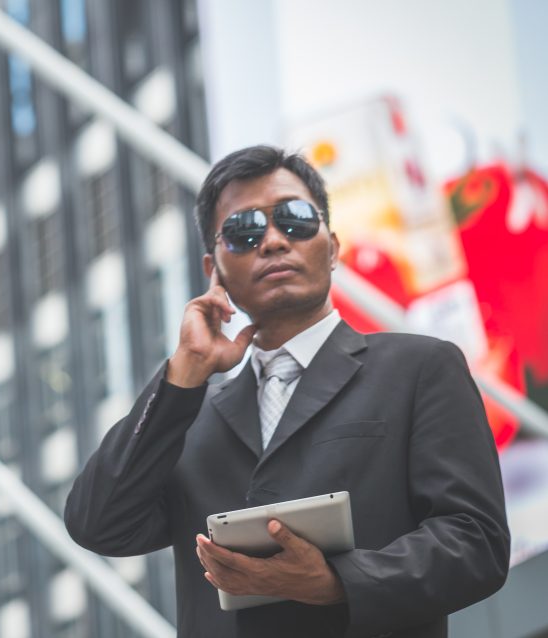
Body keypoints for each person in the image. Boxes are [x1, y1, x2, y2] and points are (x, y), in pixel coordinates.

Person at [64, 145, 509, 637]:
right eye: (244, 230)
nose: (273, 241)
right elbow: (98, 523)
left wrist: (339, 580)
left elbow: (477, 542)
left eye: (295, 219)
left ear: (333, 246)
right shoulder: (187, 418)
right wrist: (183, 373)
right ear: (214, 269)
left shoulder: (420, 368)